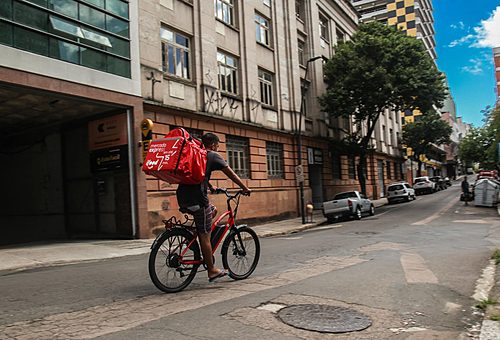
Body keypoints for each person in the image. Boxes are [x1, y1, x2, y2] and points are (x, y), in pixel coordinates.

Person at [176, 132, 251, 282]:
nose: (218, 148)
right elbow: (231, 174)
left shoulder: (196, 154)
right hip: (198, 199)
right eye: (217, 145)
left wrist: (210, 185)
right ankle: (211, 270)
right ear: (213, 144)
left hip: (182, 196)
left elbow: (198, 174)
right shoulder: (213, 155)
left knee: (213, 210)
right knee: (205, 235)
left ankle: (192, 234)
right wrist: (245, 188)